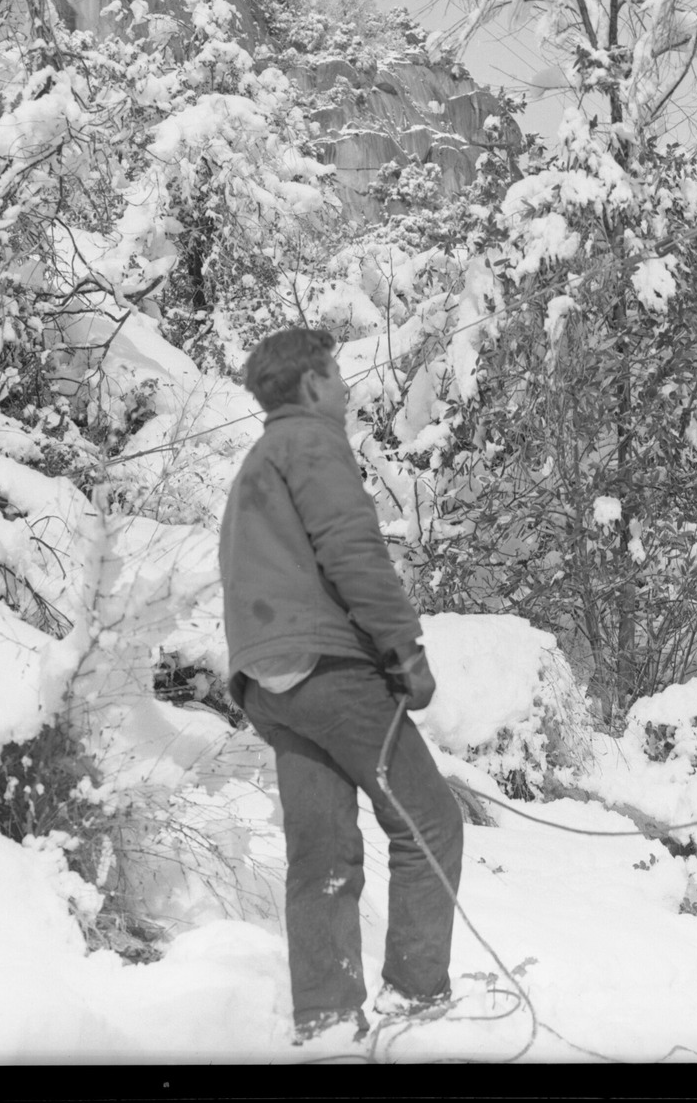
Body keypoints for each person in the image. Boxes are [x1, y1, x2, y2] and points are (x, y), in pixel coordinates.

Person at [219, 326, 463, 1045]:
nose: (348, 388)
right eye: (337, 374)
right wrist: (404, 649)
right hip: (329, 672)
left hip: (269, 685)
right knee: (429, 824)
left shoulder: (258, 460)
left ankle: (326, 1014)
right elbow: (353, 551)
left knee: (321, 851)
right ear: (312, 383)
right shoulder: (312, 443)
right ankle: (416, 997)